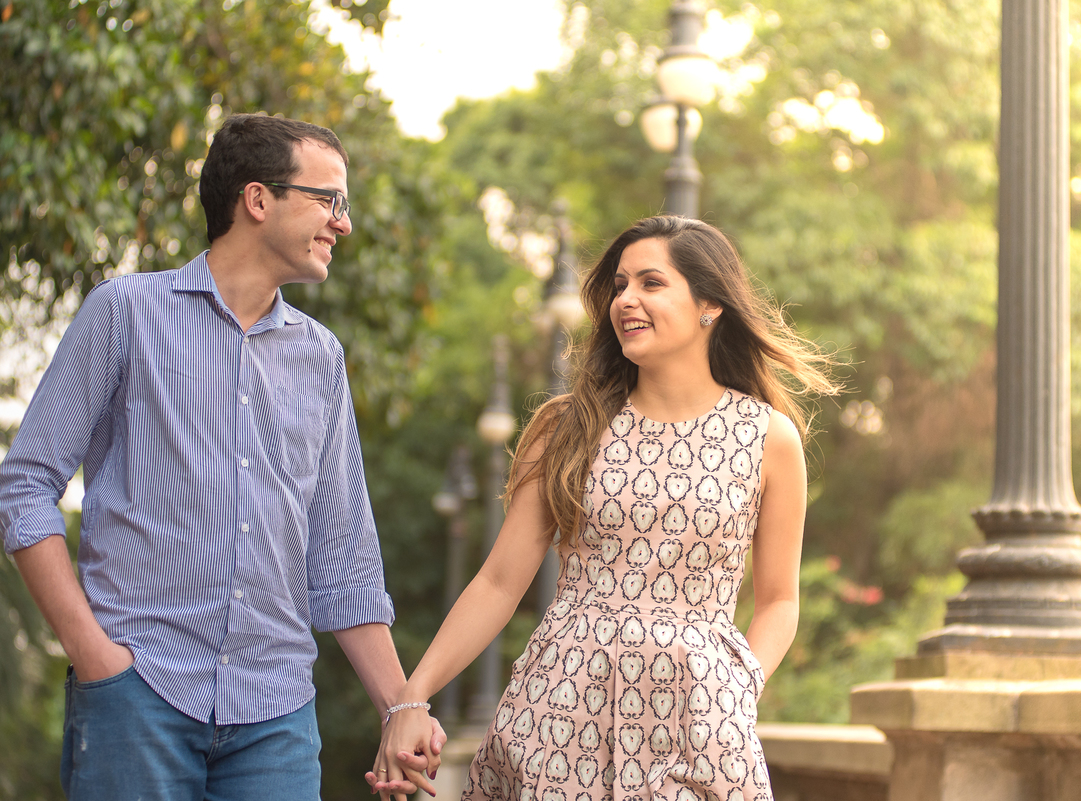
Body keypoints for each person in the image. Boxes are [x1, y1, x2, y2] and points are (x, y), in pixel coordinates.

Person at [0, 113, 442, 801]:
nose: (343, 223)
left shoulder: (321, 358)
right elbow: (25, 486)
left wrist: (401, 705)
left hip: (277, 717)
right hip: (136, 694)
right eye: (330, 200)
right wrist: (92, 653)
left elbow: (342, 554)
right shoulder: (124, 313)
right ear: (258, 199)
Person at [380, 215, 837, 800]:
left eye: (651, 282)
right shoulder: (567, 427)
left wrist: (736, 684)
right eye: (620, 285)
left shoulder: (768, 437)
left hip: (700, 718)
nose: (626, 299)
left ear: (710, 304)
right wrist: (413, 694)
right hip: (561, 705)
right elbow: (499, 581)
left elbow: (779, 600)